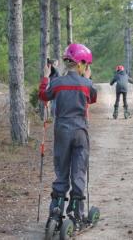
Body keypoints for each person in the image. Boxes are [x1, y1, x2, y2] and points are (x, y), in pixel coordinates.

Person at [38, 43, 97, 231]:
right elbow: (92, 98)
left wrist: (46, 78)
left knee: (61, 170)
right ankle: (76, 213)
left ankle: (55, 212)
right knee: (78, 170)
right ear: (81, 65)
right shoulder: (87, 84)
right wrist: (88, 79)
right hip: (80, 130)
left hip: (62, 130)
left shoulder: (57, 83)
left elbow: (43, 96)